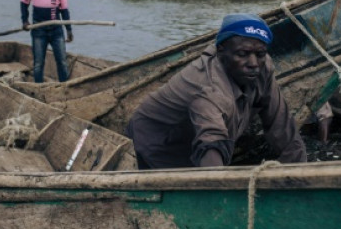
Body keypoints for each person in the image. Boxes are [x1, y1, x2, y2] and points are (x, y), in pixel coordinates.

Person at [125, 13, 307, 169]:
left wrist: (300, 172)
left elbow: (279, 121)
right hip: (156, 142)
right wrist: (219, 191)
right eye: (242, 54)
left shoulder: (263, 66)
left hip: (191, 136)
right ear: (221, 51)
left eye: (259, 54)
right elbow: (211, 141)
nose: (253, 63)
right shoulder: (207, 86)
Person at [20, 0, 74, 82]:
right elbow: (24, 3)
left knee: (62, 61)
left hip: (56, 30)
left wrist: (69, 30)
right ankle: (39, 87)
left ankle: (64, 87)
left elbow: (64, 9)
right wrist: (25, 20)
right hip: (39, 29)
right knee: (38, 63)